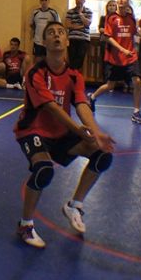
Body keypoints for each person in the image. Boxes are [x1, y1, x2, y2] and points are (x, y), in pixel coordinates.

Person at [14, 21, 115, 248]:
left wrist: (97, 133)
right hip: (32, 130)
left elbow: (81, 104)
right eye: (51, 33)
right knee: (44, 170)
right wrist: (77, 129)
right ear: (44, 42)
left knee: (103, 155)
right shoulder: (35, 73)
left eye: (61, 32)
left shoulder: (74, 75)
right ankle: (25, 225)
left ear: (67, 41)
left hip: (60, 133)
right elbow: (50, 107)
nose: (57, 36)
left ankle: (75, 205)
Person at [88, 0, 141, 124]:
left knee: (137, 81)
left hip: (130, 57)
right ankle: (92, 97)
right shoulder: (111, 18)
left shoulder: (131, 18)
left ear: (127, 2)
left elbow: (134, 33)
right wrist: (122, 49)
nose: (121, 0)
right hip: (115, 58)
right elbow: (108, 37)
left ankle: (136, 112)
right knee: (110, 85)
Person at [64, 0, 93, 71]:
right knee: (72, 58)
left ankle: (75, 74)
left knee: (80, 58)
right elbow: (68, 25)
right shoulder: (70, 12)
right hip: (72, 38)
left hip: (84, 38)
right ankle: (73, 74)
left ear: (84, 1)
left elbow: (87, 24)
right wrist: (81, 26)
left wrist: (80, 14)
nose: (79, 1)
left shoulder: (89, 11)